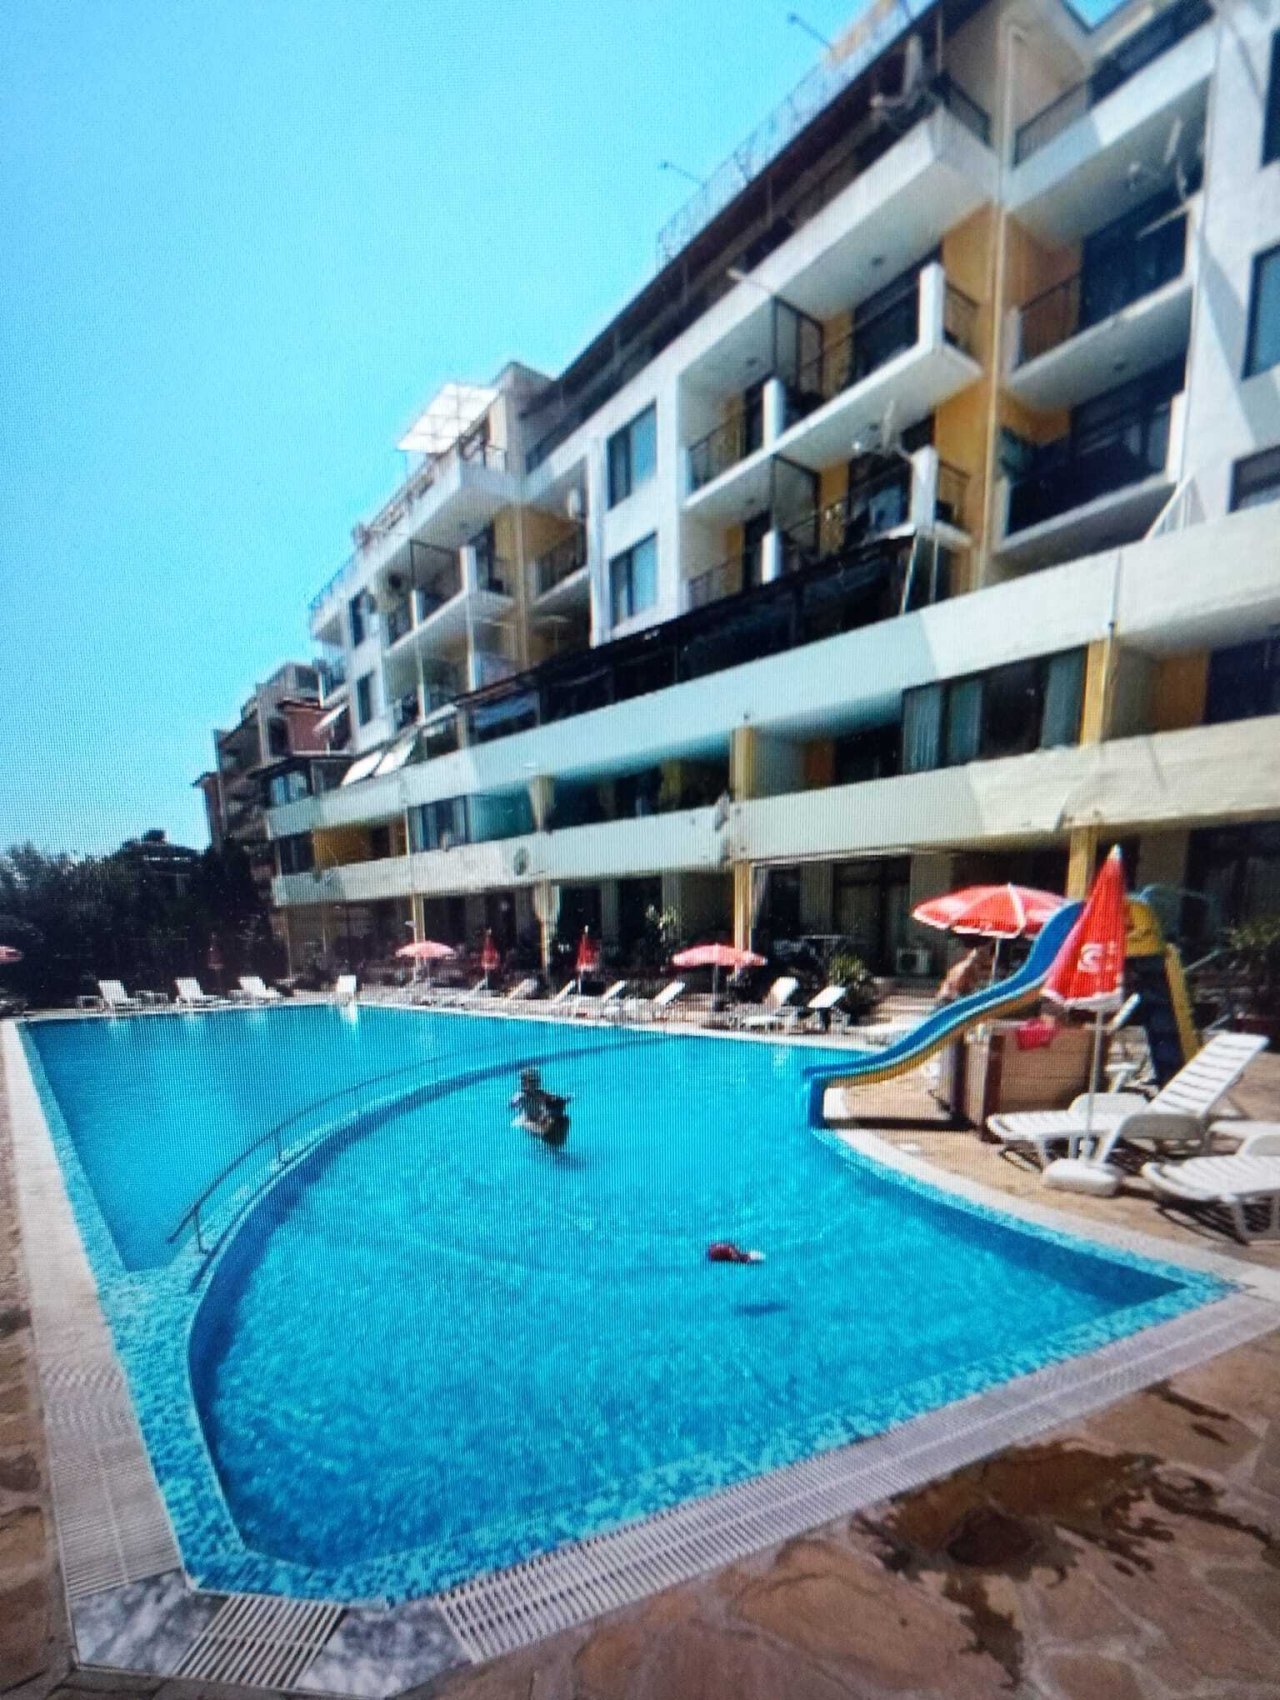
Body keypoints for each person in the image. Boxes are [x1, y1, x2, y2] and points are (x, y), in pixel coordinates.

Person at [510, 1067, 571, 1149]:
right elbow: (513, 1102)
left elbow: (553, 1097)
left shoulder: (540, 1093)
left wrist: (564, 1099)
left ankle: (547, 1133)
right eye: (532, 1081)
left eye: (536, 1081)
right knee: (527, 1124)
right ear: (524, 1083)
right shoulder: (521, 1095)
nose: (535, 1083)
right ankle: (542, 1135)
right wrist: (514, 1103)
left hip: (540, 1117)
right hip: (527, 1118)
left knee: (551, 1114)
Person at [936, 940, 996, 1005]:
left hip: (948, 996)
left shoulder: (966, 966)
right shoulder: (967, 968)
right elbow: (960, 986)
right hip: (949, 999)